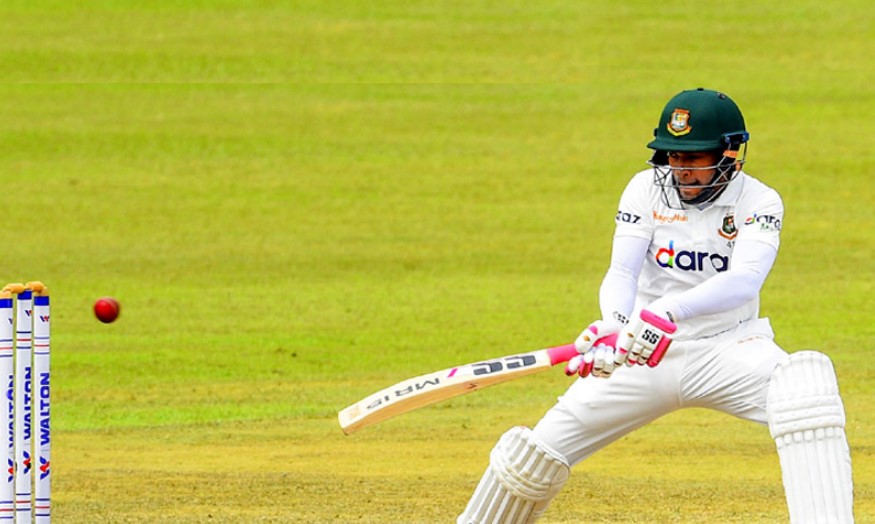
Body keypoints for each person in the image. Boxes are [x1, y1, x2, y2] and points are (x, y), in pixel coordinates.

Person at [457, 88, 854, 524]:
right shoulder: (644, 189)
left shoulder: (760, 201)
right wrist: (615, 325)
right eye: (673, 156)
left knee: (806, 390)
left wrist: (666, 312)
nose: (680, 169)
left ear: (729, 153)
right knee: (531, 459)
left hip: (728, 348)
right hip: (642, 354)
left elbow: (744, 280)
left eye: (694, 157)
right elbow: (622, 273)